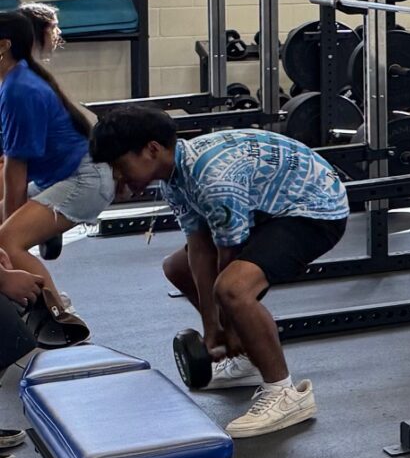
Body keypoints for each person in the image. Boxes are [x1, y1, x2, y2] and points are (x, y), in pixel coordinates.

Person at [86, 109, 348, 438]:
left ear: (152, 149)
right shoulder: (173, 179)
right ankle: (249, 360)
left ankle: (284, 393)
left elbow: (229, 254)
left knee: (233, 290)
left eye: (120, 166)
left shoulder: (211, 176)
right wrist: (212, 329)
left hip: (314, 211)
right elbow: (199, 247)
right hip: (270, 211)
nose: (118, 179)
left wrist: (229, 325)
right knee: (175, 267)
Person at [0, 6, 96, 345]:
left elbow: (16, 170)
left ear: (3, 46)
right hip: (58, 176)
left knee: (8, 239)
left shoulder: (19, 88)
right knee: (5, 225)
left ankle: (60, 316)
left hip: (82, 180)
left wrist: (12, 234)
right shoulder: (16, 78)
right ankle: (40, 231)